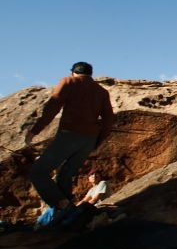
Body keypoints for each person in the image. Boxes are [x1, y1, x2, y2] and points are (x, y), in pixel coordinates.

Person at [25, 62, 115, 223]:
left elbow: (52, 107)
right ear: (90, 74)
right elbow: (108, 120)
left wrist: (35, 130)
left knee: (38, 172)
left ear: (73, 72)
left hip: (69, 135)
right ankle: (66, 218)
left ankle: (63, 206)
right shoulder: (101, 91)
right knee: (65, 176)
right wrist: (96, 142)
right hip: (89, 140)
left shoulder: (69, 82)